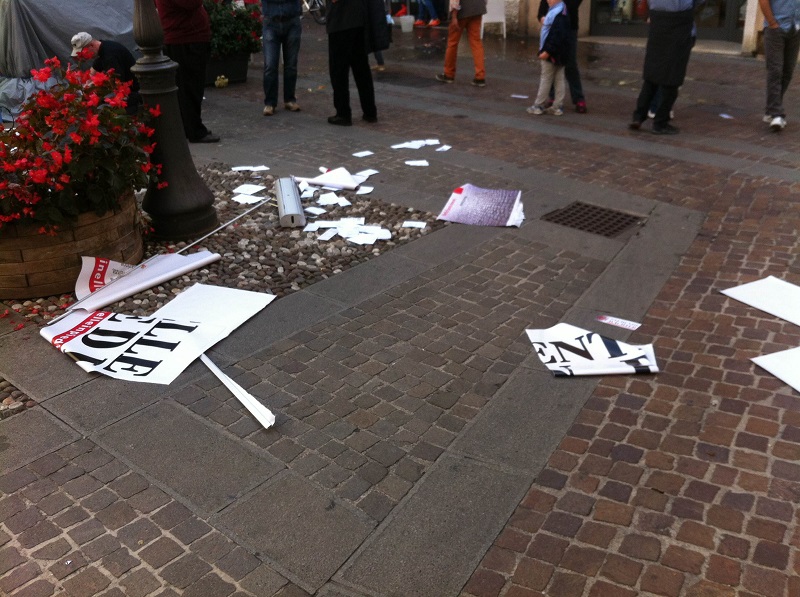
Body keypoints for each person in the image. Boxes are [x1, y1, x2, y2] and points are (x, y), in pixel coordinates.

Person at [628, 0, 698, 135]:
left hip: (658, 20)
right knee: (672, 77)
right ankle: (660, 122)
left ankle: (639, 116)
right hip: (679, 22)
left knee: (652, 75)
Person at [155, 0, 219, 143]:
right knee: (191, 87)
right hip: (186, 39)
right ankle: (195, 130)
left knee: (187, 87)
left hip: (184, 37)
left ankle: (188, 126)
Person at [325, 0, 379, 125]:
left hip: (341, 22)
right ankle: (370, 111)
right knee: (361, 68)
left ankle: (343, 113)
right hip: (358, 19)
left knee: (339, 70)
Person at [70, 32, 141, 115]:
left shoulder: (110, 57)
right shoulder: (103, 47)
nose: (83, 56)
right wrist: (85, 84)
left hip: (131, 95)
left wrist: (90, 87)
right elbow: (94, 70)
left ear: (91, 45)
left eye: (83, 53)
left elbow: (116, 83)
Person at [536, 0, 586, 113]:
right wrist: (542, 17)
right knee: (551, 63)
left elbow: (573, 5)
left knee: (570, 63)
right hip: (550, 27)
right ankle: (553, 97)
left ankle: (578, 98)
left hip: (568, 26)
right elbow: (542, 8)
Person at [758, 0, 800, 132]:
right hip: (776, 29)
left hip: (795, 29)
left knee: (787, 71)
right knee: (775, 71)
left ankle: (771, 110)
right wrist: (772, 23)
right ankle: (777, 114)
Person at [527, 0, 571, 116]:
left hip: (552, 52)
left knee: (546, 78)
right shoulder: (561, 10)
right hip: (560, 53)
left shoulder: (558, 14)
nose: (547, 0)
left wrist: (547, 51)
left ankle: (538, 105)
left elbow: (556, 35)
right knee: (559, 79)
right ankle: (557, 106)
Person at [261, 0, 303, 116]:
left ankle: (289, 99)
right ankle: (270, 102)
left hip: (291, 20)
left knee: (291, 64)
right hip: (271, 20)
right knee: (270, 65)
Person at [435, 0, 488, 86]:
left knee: (452, 42)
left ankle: (449, 74)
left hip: (462, 10)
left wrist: (454, 15)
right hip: (478, 8)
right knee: (476, 42)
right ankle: (480, 77)